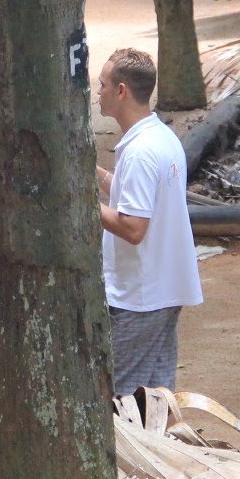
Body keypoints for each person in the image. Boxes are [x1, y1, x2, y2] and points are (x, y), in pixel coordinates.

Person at [94, 48, 202, 397]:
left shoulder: (140, 152)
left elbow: (133, 227)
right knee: (156, 396)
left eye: (103, 85)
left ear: (121, 91)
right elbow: (140, 197)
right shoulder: (161, 137)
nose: (98, 92)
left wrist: (80, 204)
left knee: (123, 398)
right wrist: (96, 176)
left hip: (139, 296)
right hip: (165, 288)